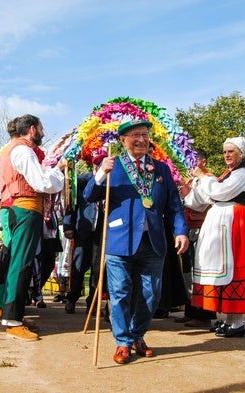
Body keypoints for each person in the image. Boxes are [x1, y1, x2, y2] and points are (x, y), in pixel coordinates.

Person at [84, 119, 188, 364]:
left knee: (151, 294)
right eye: (135, 135)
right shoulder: (112, 166)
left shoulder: (160, 170)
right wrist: (100, 174)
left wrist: (180, 231)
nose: (141, 139)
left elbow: (174, 204)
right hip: (120, 241)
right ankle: (122, 342)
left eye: (144, 134)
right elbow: (89, 196)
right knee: (120, 293)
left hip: (153, 242)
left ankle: (136, 336)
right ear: (123, 140)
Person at [0, 114, 67, 341]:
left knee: (17, 263)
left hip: (20, 209)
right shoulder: (23, 150)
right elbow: (42, 183)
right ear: (32, 129)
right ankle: (13, 320)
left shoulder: (10, 150)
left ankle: (11, 315)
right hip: (25, 209)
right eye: (41, 128)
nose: (43, 132)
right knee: (21, 264)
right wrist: (59, 171)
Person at [185, 137, 245, 337]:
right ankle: (229, 320)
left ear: (241, 154)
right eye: (225, 152)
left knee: (233, 268)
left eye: (231, 151)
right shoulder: (228, 174)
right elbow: (204, 198)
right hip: (222, 224)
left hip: (236, 223)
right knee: (221, 269)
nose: (226, 155)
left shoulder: (243, 173)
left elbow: (220, 193)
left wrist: (203, 176)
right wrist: (189, 188)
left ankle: (236, 323)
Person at [61, 149, 107, 314]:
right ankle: (72, 298)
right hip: (83, 230)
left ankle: (92, 303)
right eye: (99, 163)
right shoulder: (81, 181)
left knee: (97, 268)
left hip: (101, 233)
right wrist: (68, 225)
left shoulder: (110, 183)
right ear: (94, 166)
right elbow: (70, 203)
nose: (102, 166)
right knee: (79, 266)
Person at [176, 148, 217, 327]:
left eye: (194, 160)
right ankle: (190, 310)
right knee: (188, 271)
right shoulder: (193, 180)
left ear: (203, 162)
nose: (190, 164)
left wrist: (186, 195)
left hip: (203, 229)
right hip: (189, 229)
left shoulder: (210, 180)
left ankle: (204, 315)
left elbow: (202, 204)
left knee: (201, 271)